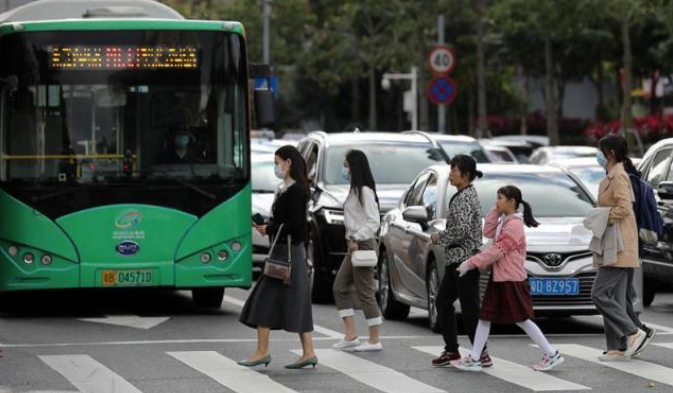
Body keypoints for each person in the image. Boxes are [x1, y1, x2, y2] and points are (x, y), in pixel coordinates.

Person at [450, 186, 564, 372]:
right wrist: (495, 210)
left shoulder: (514, 225)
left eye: (500, 198)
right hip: (500, 278)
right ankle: (475, 357)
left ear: (512, 202)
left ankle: (551, 353)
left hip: (511, 279)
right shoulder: (505, 220)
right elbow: (487, 231)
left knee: (522, 319)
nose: (497, 201)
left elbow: (498, 250)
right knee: (485, 317)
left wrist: (471, 263)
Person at [238, 145, 317, 369]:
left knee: (264, 299)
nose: (276, 167)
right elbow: (286, 221)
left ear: (288, 162)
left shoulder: (297, 191)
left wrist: (270, 228)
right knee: (298, 300)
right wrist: (269, 226)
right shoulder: (287, 188)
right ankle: (308, 352)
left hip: (288, 252)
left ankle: (262, 351)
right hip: (286, 251)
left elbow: (297, 225)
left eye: (277, 162)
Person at [591, 134, 653, 361]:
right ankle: (616, 347)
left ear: (610, 153)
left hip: (620, 246)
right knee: (614, 297)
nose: (599, 155)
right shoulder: (609, 177)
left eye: (601, 150)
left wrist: (602, 218)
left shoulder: (619, 177)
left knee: (598, 294)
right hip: (612, 244)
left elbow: (624, 208)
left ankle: (633, 332)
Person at [429, 155, 490, 367]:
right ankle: (452, 350)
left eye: (454, 170)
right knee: (443, 302)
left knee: (470, 308)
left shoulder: (465, 197)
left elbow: (462, 230)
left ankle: (481, 353)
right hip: (456, 260)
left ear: (465, 175)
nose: (450, 174)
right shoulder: (463, 194)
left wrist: (439, 237)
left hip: (465, 262)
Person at [331, 150, 383, 352]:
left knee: (366, 293)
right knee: (339, 287)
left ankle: (373, 340)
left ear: (354, 166)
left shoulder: (365, 191)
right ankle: (351, 336)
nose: (343, 169)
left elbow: (374, 222)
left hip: (363, 245)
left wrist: (356, 238)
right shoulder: (354, 190)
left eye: (346, 165)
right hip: (354, 245)